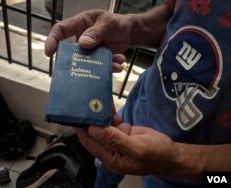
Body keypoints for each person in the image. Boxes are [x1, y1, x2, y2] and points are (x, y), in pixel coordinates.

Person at [45, 0, 231, 187]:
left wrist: (176, 160)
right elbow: (174, 14)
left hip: (201, 179)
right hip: (135, 110)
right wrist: (131, 27)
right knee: (102, 169)